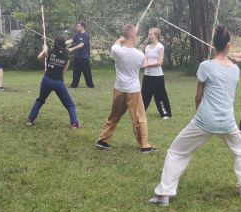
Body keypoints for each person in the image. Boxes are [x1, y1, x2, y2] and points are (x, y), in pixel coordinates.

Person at [148, 25, 241, 207]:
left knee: (176, 152)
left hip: (205, 120)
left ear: (214, 45)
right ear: (228, 45)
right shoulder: (235, 70)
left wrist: (198, 113)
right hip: (226, 121)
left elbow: (198, 96)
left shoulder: (206, 66)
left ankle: (163, 195)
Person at [95, 24, 156, 153]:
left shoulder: (116, 50)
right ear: (133, 36)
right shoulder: (139, 55)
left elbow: (117, 43)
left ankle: (103, 140)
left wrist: (123, 39)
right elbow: (145, 65)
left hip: (119, 89)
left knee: (114, 116)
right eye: (136, 35)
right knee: (139, 118)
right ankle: (144, 145)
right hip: (133, 91)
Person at [26, 36, 80, 128]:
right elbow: (64, 72)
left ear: (55, 43)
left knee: (40, 100)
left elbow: (39, 57)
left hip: (46, 80)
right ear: (64, 44)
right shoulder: (67, 56)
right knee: (70, 105)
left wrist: (44, 49)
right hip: (58, 82)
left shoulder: (50, 52)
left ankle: (30, 120)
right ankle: (74, 124)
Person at [141, 27, 172, 119]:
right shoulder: (147, 47)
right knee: (144, 95)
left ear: (156, 35)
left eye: (151, 34)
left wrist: (147, 65)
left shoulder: (160, 47)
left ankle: (165, 113)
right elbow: (145, 59)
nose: (149, 36)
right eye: (149, 34)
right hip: (147, 75)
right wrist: (144, 64)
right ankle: (140, 113)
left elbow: (159, 62)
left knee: (160, 95)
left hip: (157, 76)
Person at [68, 20, 94, 88]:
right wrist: (62, 42)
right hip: (77, 57)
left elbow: (81, 45)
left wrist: (72, 49)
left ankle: (90, 85)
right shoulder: (76, 34)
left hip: (84, 58)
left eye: (78, 26)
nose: (76, 27)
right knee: (76, 72)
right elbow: (71, 40)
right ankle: (74, 85)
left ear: (82, 27)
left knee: (87, 73)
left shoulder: (86, 35)